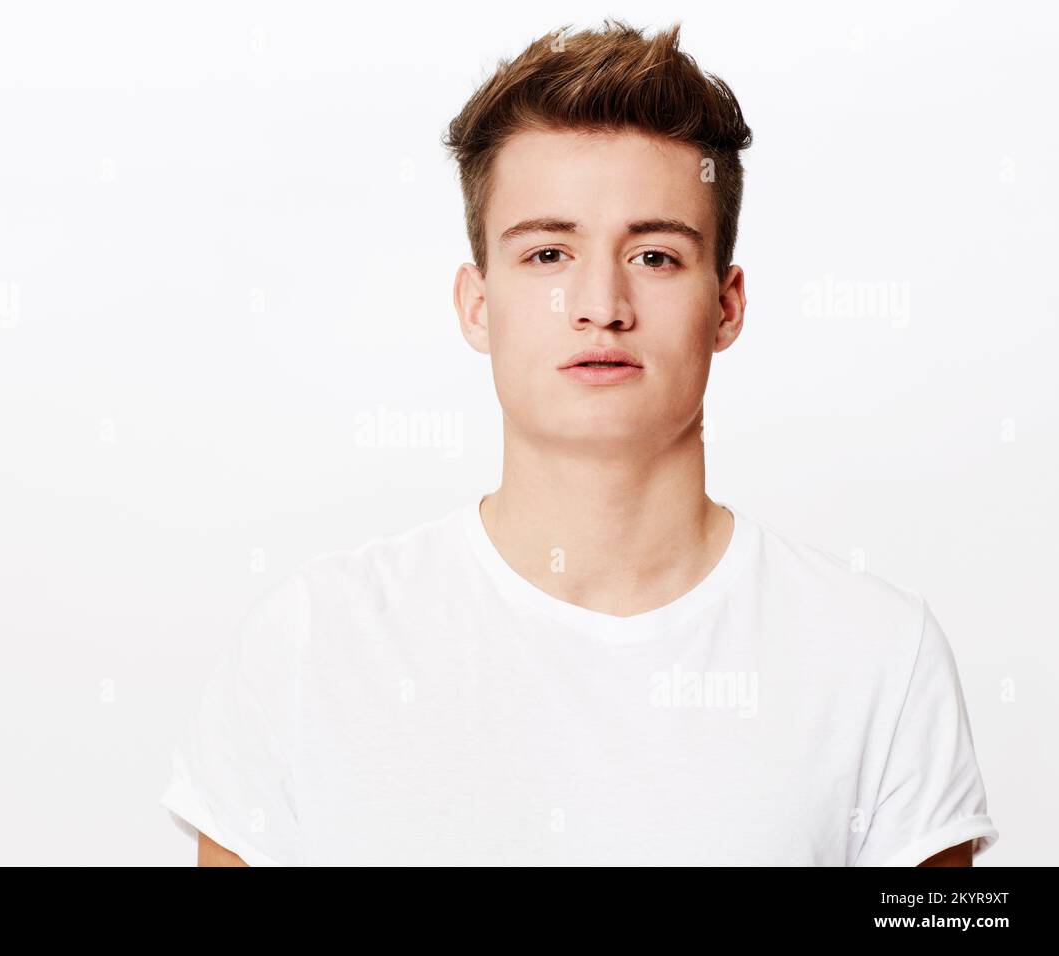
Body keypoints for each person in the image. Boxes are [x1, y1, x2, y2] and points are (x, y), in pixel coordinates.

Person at [161, 19, 998, 866]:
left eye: (657, 256)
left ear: (728, 304)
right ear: (477, 304)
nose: (599, 304)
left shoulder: (878, 657)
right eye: (549, 253)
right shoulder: (309, 647)